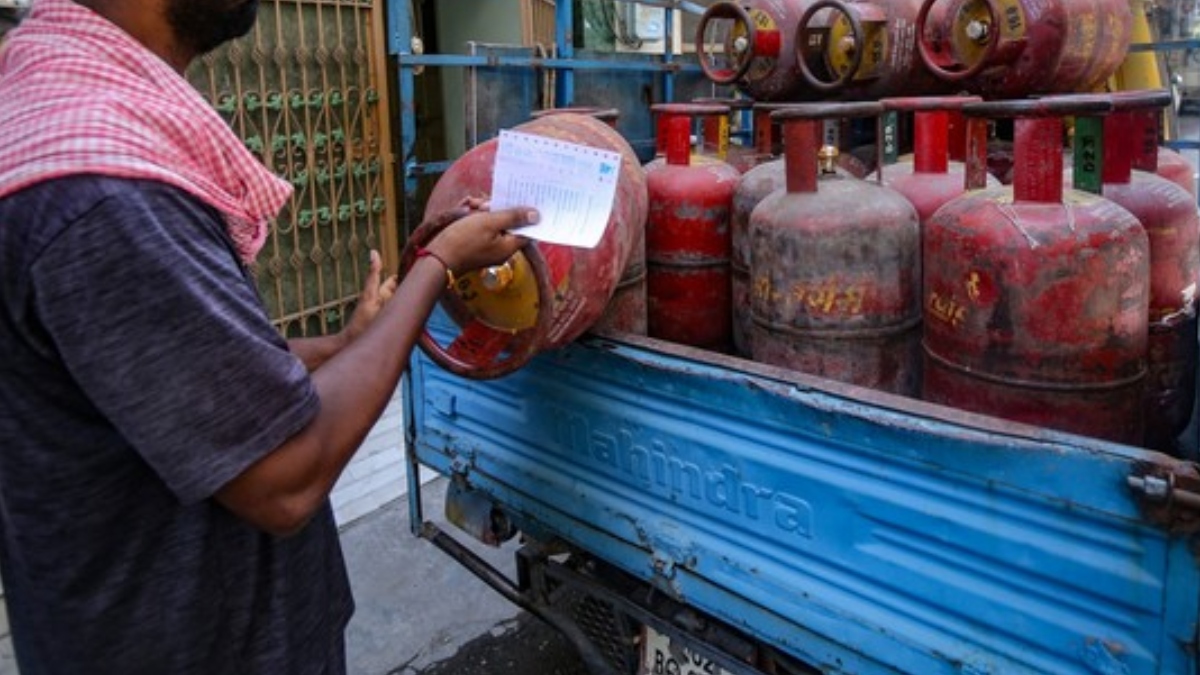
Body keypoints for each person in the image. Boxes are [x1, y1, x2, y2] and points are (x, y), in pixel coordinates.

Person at [0, 0, 537, 673]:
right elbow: (286, 479)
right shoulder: (102, 190)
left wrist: (346, 347)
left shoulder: (69, 117)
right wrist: (438, 264)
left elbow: (183, 378)